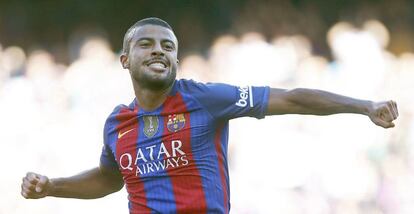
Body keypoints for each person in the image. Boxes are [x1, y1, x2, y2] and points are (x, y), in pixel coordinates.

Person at [21, 17, 399, 214]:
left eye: (168, 46)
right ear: (125, 60)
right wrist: (53, 186)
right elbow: (110, 178)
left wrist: (364, 106)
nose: (159, 51)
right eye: (146, 44)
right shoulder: (116, 124)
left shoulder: (206, 99)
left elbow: (294, 99)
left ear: (176, 60)